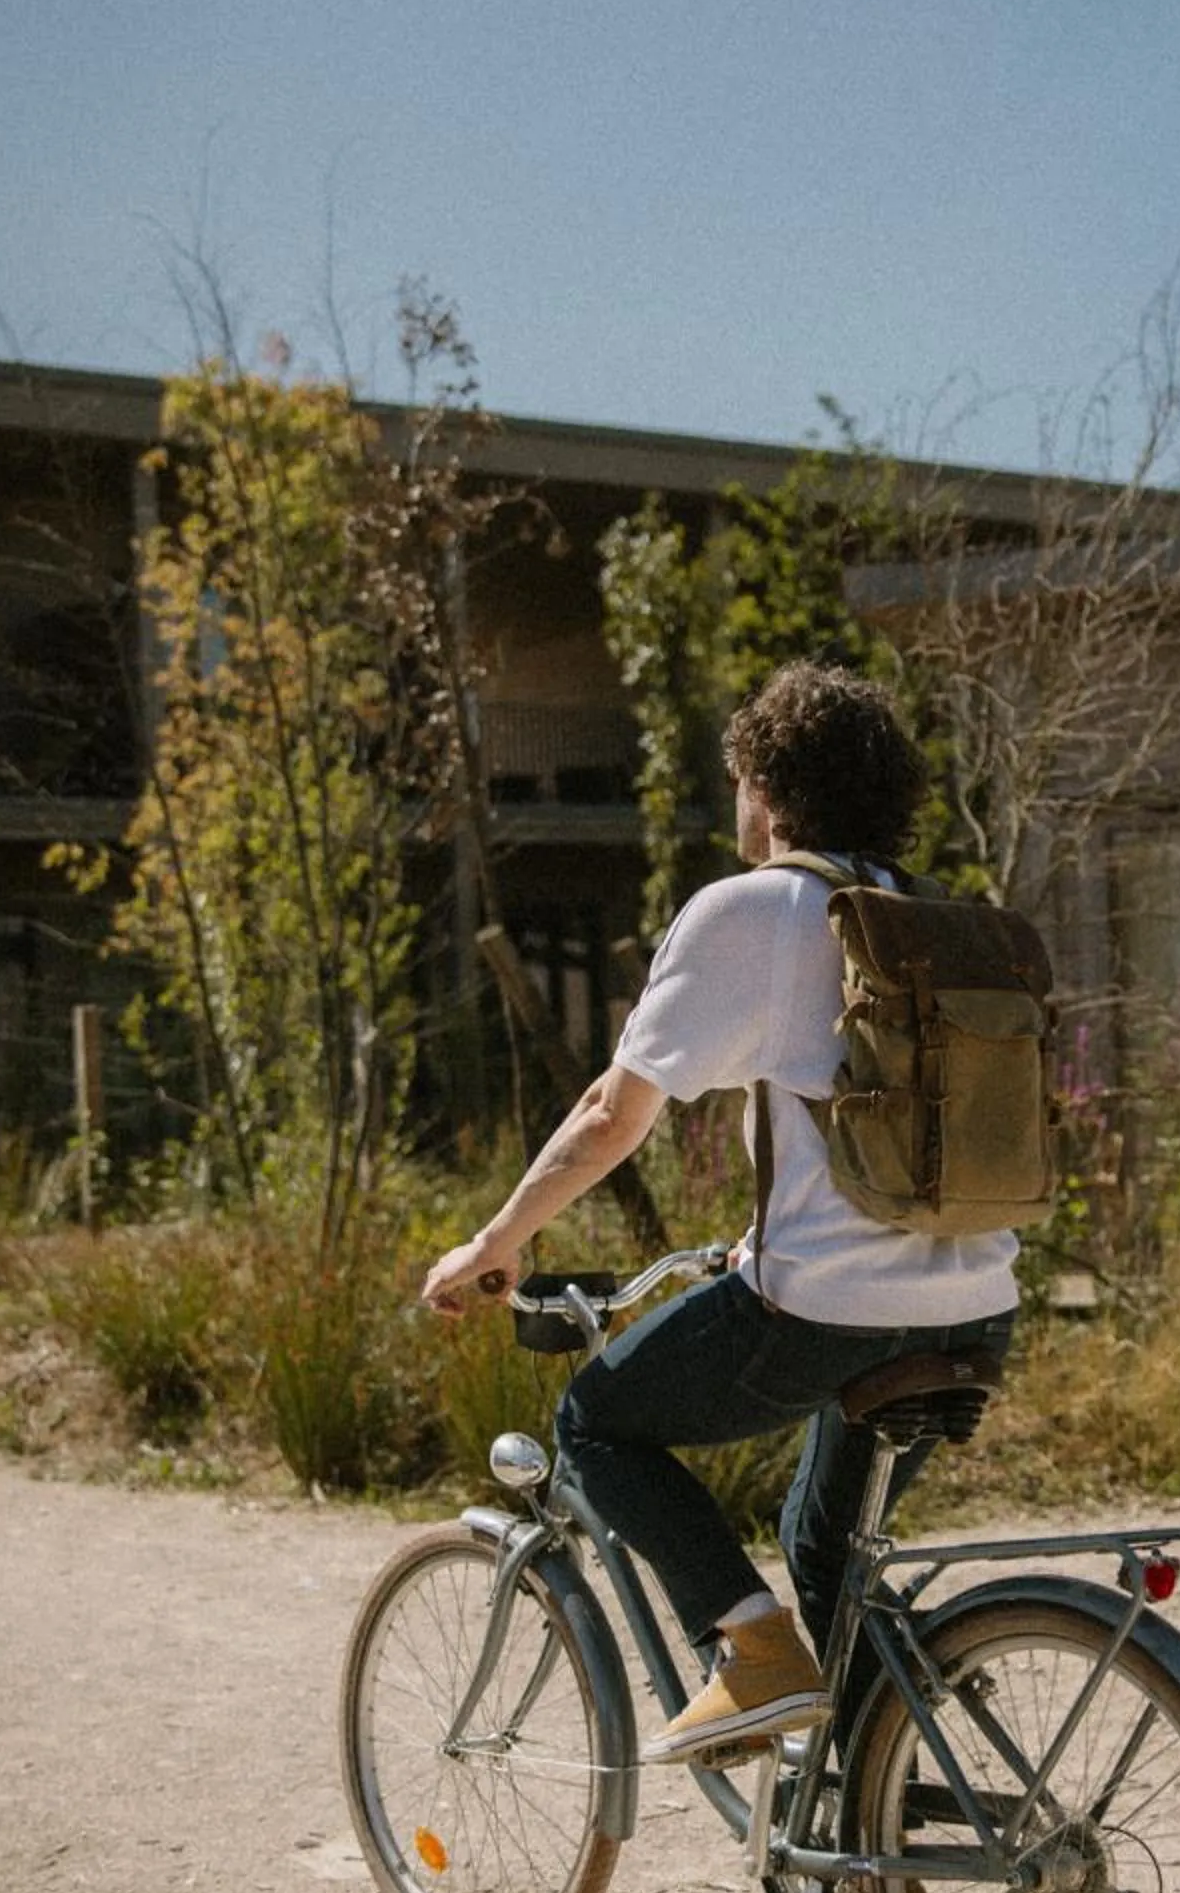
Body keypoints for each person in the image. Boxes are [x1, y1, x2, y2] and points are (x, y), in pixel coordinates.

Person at [422, 660, 1019, 1765]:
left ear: (771, 791)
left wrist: (495, 1241)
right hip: (979, 1310)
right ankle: (865, 1867)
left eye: (737, 780)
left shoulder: (753, 910)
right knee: (827, 1554)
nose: (732, 805)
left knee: (594, 1424)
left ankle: (748, 1648)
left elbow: (613, 1114)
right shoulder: (928, 915)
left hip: (825, 1314)